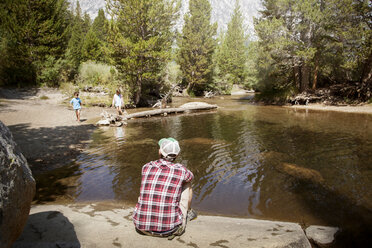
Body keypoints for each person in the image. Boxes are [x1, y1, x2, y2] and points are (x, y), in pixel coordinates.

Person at [133, 138, 197, 239]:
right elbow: (191, 177)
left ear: (159, 151)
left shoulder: (146, 167)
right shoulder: (181, 170)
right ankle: (188, 212)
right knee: (187, 184)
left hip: (141, 227)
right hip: (170, 229)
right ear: (177, 155)